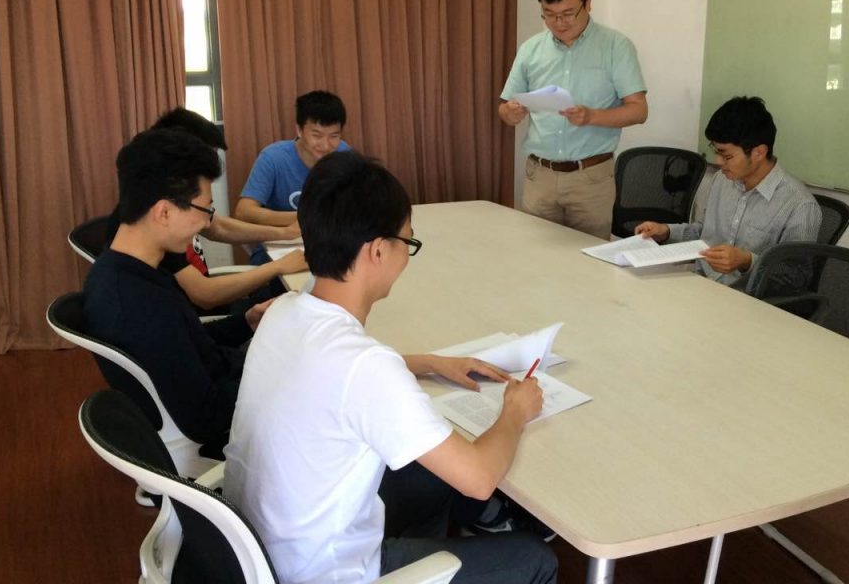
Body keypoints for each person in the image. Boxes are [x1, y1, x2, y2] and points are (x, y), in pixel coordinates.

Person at [225, 152, 558, 584]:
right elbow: (478, 479)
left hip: (259, 552)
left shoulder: (284, 310)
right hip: (324, 573)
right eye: (408, 243)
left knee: (429, 476)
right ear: (378, 250)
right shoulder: (365, 367)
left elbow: (328, 376)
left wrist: (427, 363)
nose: (407, 256)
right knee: (536, 559)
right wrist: (515, 410)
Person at [84, 128, 272, 455]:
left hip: (227, 380)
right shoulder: (137, 306)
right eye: (205, 210)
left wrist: (246, 322)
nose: (207, 224)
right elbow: (205, 418)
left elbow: (187, 341)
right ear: (164, 212)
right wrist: (280, 368)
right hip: (226, 424)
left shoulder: (130, 269)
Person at [499, 0, 648, 239]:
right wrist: (510, 112)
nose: (559, 23)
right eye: (549, 14)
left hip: (590, 178)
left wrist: (591, 116)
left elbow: (639, 110)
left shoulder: (616, 47)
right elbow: (505, 109)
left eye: (568, 14)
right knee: (534, 254)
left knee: (588, 258)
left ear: (588, 3)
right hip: (540, 176)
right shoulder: (530, 49)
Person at [635, 96, 821, 289]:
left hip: (747, 299)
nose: (718, 162)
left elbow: (797, 278)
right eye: (716, 151)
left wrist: (747, 261)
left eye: (727, 155)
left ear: (759, 152)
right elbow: (705, 235)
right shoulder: (721, 180)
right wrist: (666, 232)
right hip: (702, 283)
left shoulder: (799, 205)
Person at [145, 108, 307, 310]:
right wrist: (278, 266)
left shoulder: (174, 200)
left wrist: (285, 233)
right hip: (195, 316)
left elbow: (218, 227)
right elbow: (204, 294)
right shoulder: (160, 222)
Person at [235, 90, 351, 264]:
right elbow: (244, 211)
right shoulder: (273, 158)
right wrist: (305, 218)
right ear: (299, 130)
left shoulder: (344, 154)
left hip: (329, 246)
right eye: (317, 135)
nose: (326, 145)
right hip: (278, 249)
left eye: (334, 136)